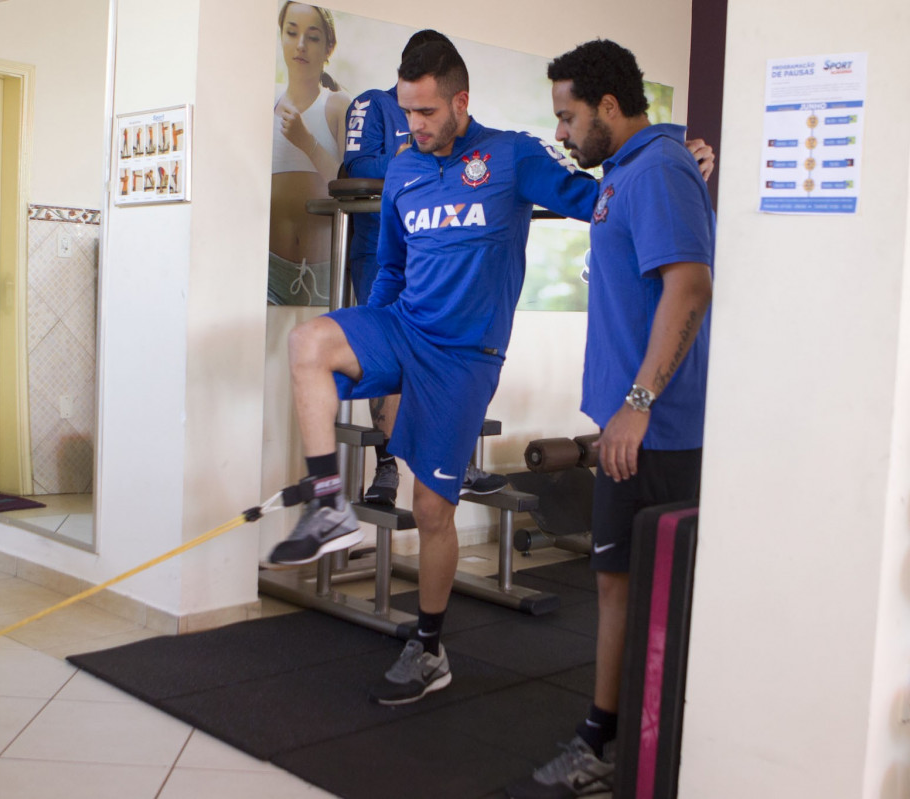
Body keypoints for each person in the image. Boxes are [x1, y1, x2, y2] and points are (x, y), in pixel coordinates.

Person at [267, 41, 609, 705]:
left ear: (461, 101)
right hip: (404, 327)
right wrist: (372, 339)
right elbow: (391, 266)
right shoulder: (404, 168)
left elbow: (593, 202)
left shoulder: (512, 157)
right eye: (406, 111)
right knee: (309, 342)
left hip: (464, 356)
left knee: (430, 507)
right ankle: (329, 500)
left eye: (426, 111)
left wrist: (675, 164)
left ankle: (428, 648)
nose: (414, 125)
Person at [506, 39, 715, 799]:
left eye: (568, 118)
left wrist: (636, 407)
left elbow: (689, 287)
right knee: (617, 587)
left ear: (608, 106)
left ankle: (618, 747)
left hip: (658, 431)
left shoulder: (656, 168)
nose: (562, 134)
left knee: (642, 594)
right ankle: (609, 735)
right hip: (637, 424)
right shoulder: (636, 170)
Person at [343, 30, 510, 506]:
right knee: (391, 360)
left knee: (449, 355)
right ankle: (387, 469)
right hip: (382, 252)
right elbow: (355, 165)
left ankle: (452, 459)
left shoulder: (459, 124)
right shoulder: (373, 104)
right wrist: (404, 157)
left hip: (441, 260)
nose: (418, 119)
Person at [269, 2, 351, 306]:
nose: (300, 45)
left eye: (313, 37)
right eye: (291, 33)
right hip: (268, 271)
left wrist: (308, 143)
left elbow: (350, 188)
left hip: (325, 271)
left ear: (329, 46)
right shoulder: (267, 102)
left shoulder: (338, 105)